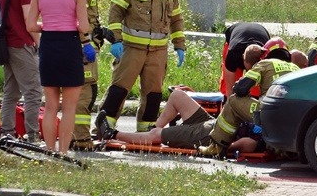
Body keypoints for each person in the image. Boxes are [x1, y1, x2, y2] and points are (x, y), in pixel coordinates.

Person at [94, 44, 268, 150]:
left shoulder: (267, 130)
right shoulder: (270, 110)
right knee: (177, 95)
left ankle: (112, 134)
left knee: (156, 135)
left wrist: (220, 146)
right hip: (212, 123)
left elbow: (250, 144)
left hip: (207, 136)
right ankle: (153, 129)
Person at [99, 0, 186, 132]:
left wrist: (180, 45)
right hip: (131, 49)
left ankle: (145, 130)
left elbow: (176, 19)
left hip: (158, 52)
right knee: (119, 89)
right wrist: (116, 40)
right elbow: (116, 12)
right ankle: (104, 126)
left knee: (153, 93)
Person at [26, 0, 91, 154]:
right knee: (69, 107)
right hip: (69, 46)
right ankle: (63, 152)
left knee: (51, 106)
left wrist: (48, 25)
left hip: (49, 46)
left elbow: (30, 26)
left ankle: (49, 150)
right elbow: (84, 27)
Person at [201, 38, 301, 157]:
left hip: (271, 114)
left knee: (233, 100)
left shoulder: (264, 64)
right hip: (295, 116)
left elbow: (240, 89)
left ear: (266, 54)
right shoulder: (296, 68)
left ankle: (217, 146)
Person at [0, 0, 42, 142]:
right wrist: (38, 42)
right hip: (22, 42)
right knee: (33, 91)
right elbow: (28, 19)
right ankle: (33, 136)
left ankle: (7, 132)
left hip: (7, 43)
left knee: (11, 92)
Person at [71, 0, 114, 150]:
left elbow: (86, 19)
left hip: (83, 45)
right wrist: (86, 41)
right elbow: (78, 20)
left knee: (82, 92)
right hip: (82, 48)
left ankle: (74, 136)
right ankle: (81, 140)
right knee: (85, 94)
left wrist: (101, 32)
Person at [218, 22, 270, 96]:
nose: (248, 71)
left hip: (260, 33)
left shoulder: (267, 55)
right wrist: (230, 100)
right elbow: (229, 87)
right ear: (243, 57)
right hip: (236, 34)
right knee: (228, 88)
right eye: (247, 69)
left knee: (256, 88)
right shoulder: (233, 53)